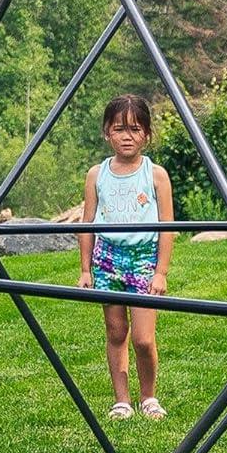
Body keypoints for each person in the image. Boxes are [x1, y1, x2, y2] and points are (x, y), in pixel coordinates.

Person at [78, 95, 175, 420]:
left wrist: (160, 272)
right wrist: (86, 269)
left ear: (146, 134)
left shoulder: (156, 174)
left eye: (135, 129)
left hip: (144, 259)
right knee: (116, 332)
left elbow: (167, 226)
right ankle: (122, 400)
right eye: (119, 129)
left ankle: (148, 396)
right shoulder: (97, 174)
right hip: (108, 258)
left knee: (144, 339)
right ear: (107, 132)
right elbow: (88, 223)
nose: (127, 136)